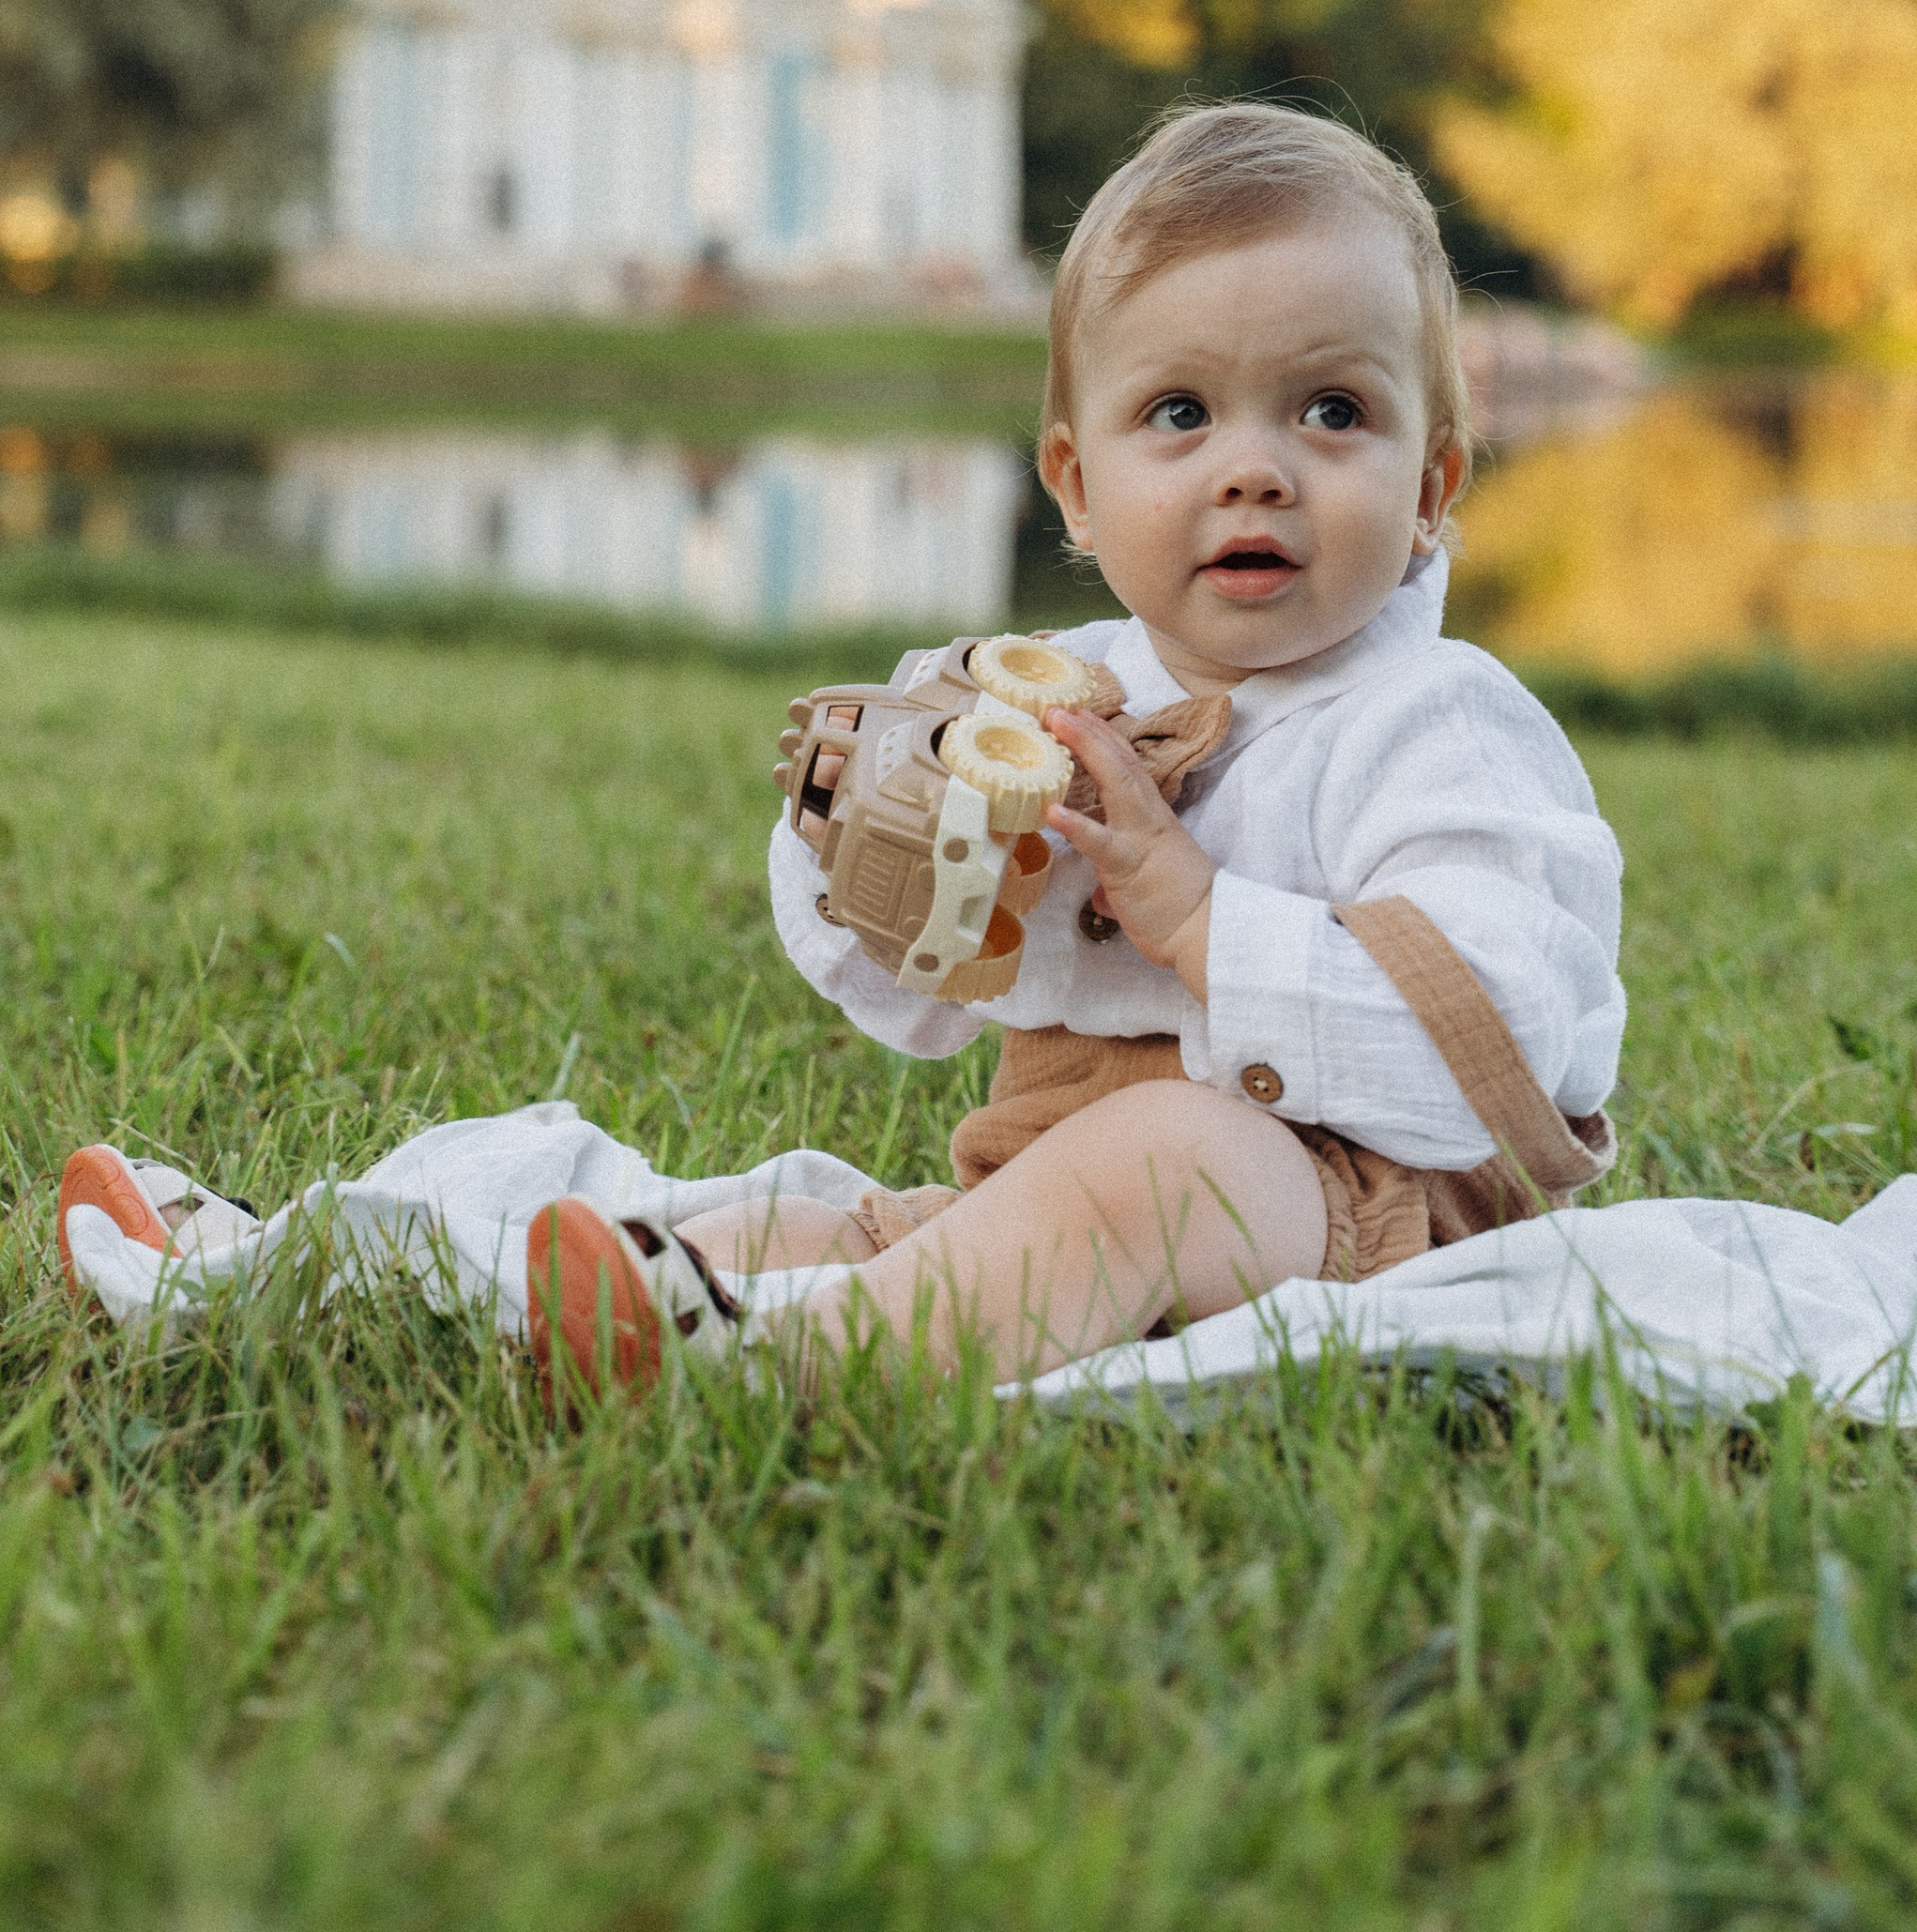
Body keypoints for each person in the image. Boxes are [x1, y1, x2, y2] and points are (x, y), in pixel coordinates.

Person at [525, 100, 1624, 1399]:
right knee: (824, 1233)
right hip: (1054, 1183)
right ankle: (642, 1309)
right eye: (1181, 412)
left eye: (1332, 411)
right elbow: (924, 1006)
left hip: (1361, 1215)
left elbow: (1504, 1036)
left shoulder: (1439, 724)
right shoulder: (1053, 693)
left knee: (1161, 1158)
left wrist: (1204, 921)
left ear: (1431, 490)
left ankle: (794, 1369)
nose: (1255, 470)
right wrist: (868, 852)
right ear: (1079, 489)